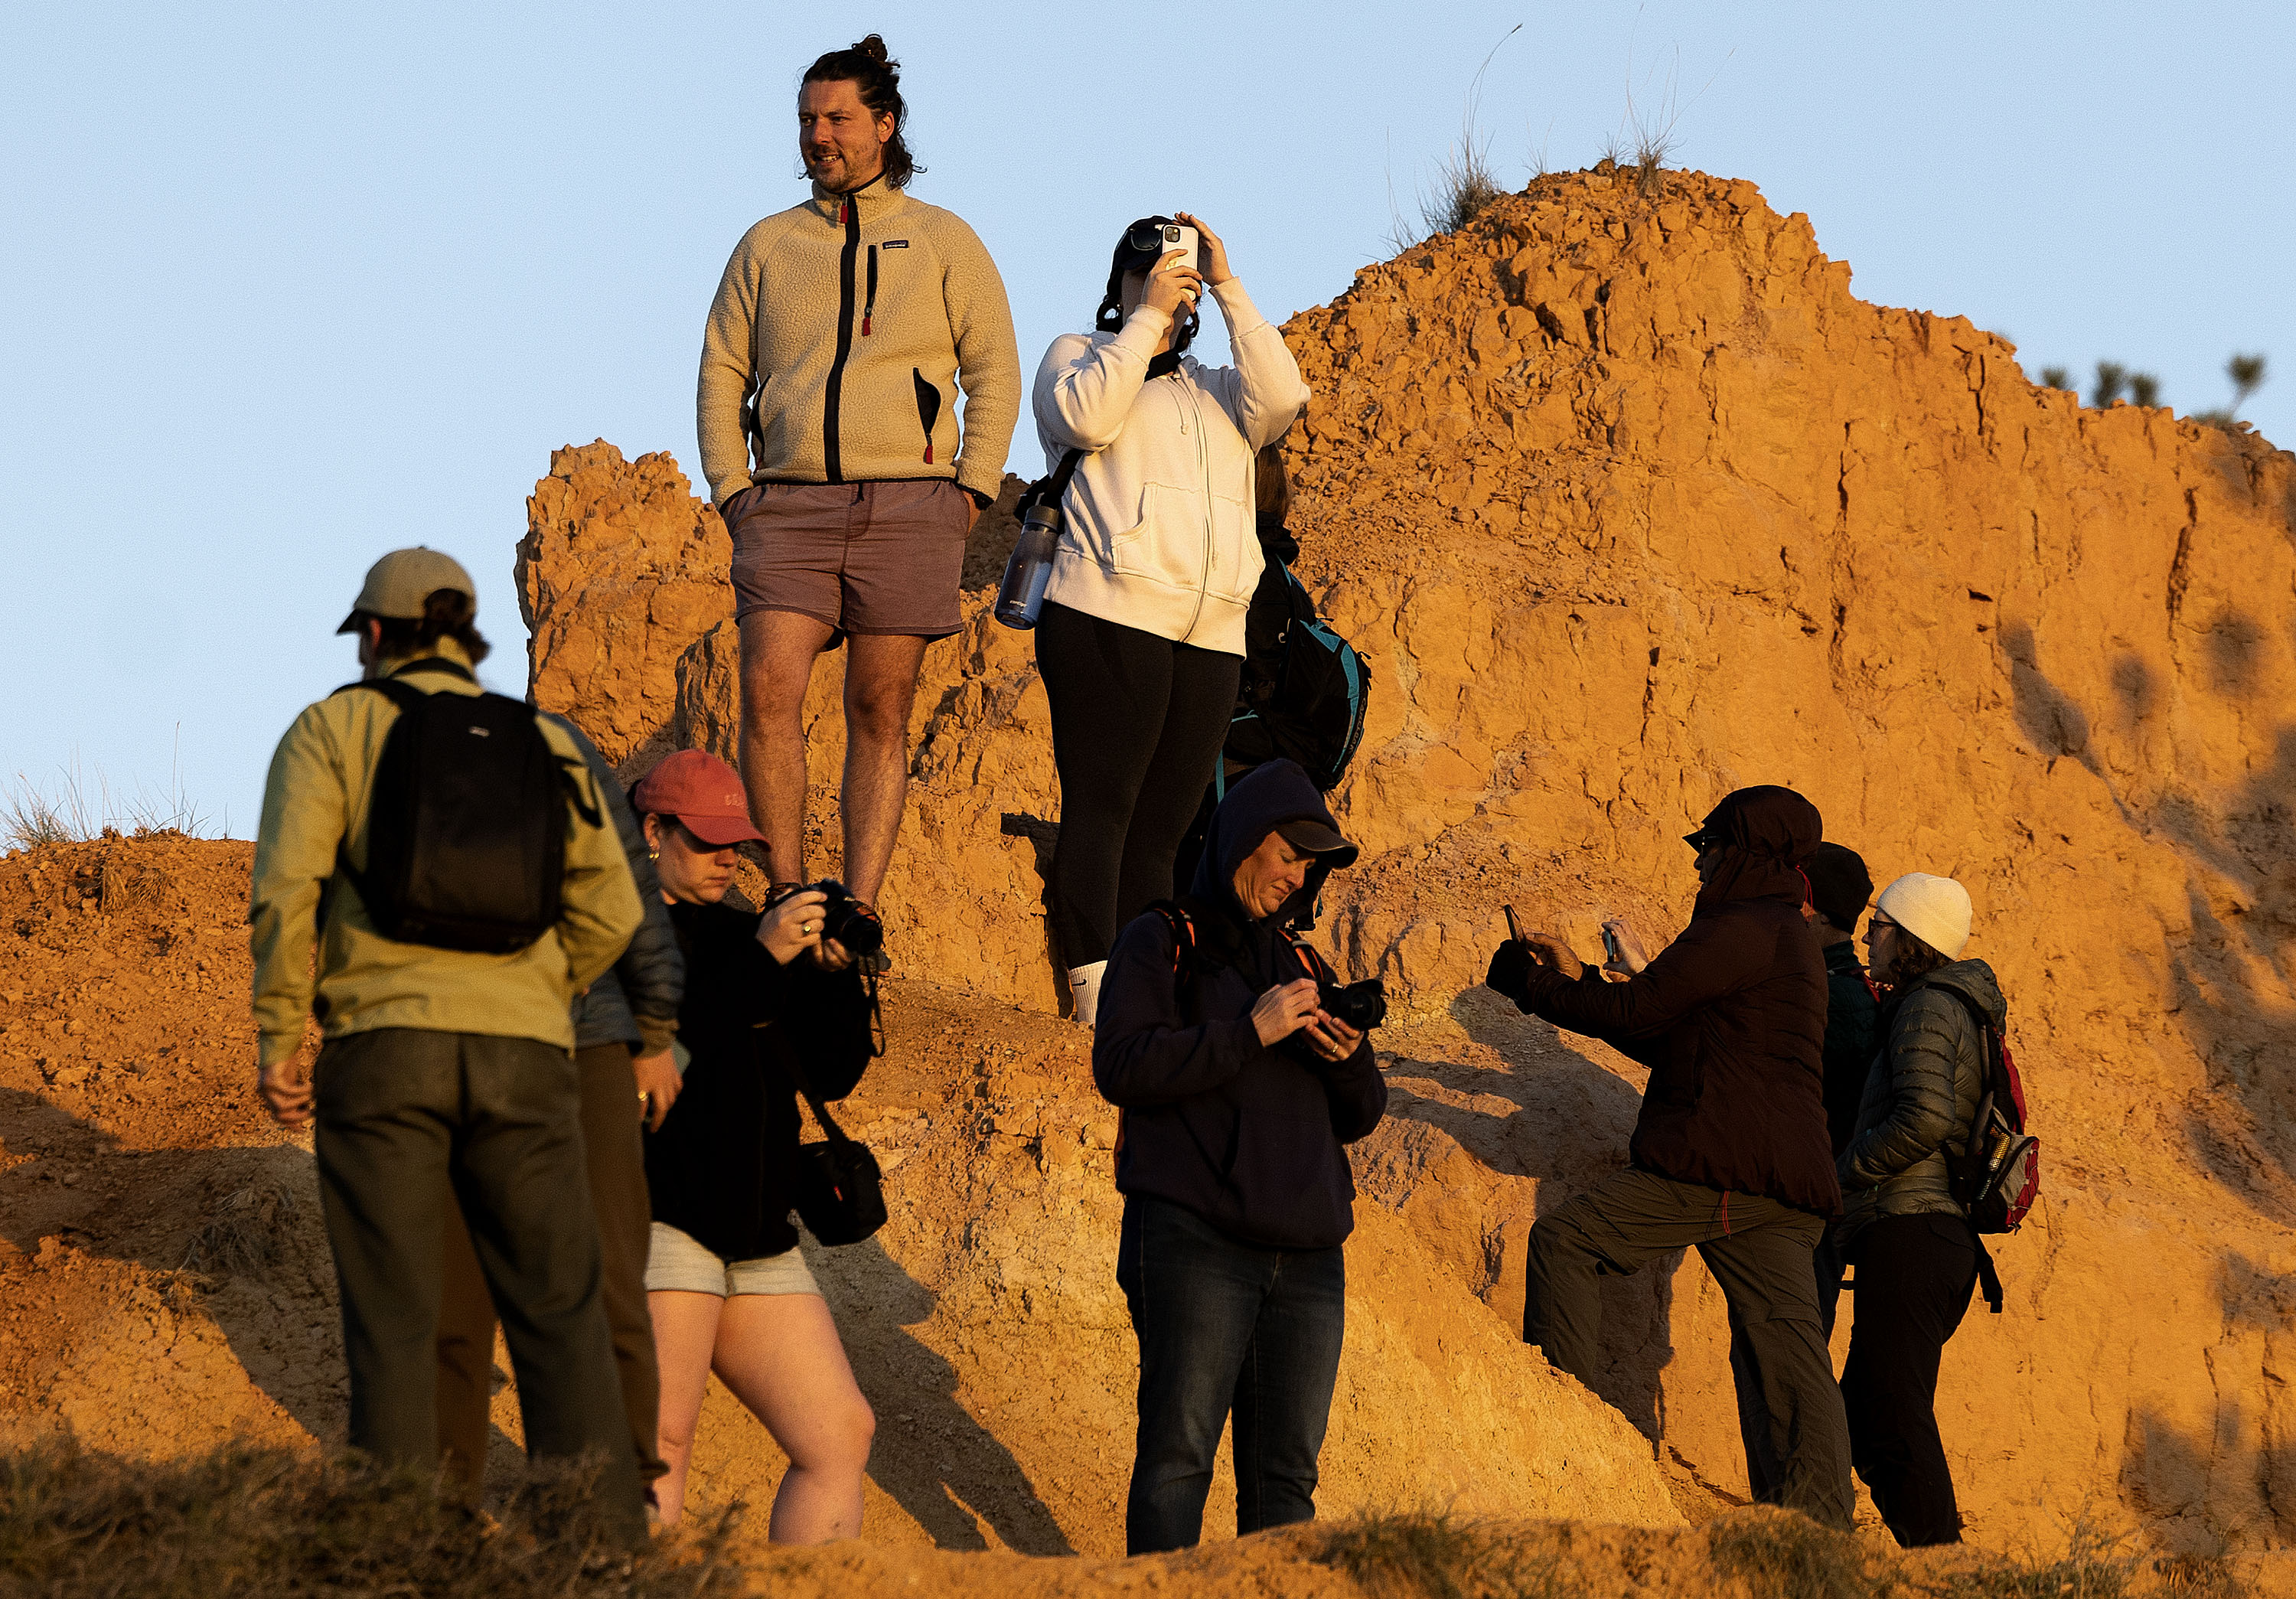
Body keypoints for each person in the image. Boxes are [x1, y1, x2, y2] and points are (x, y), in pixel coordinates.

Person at [249, 548, 645, 1532]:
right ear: (467, 643)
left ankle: (399, 1553)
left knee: (396, 1322)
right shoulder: (543, 742)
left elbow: (284, 892)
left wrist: (279, 1035)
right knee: (561, 1317)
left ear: (374, 638)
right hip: (525, 1060)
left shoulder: (332, 728)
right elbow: (613, 907)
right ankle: (601, 1559)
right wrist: (539, 996)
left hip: (383, 1054)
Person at [696, 34, 1021, 948]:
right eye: (807, 119)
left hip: (911, 506)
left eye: (836, 117)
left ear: (884, 125)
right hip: (787, 508)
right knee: (767, 688)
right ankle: (788, 895)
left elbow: (994, 368)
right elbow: (722, 372)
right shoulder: (766, 246)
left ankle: (861, 907)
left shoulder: (945, 239)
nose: (818, 134)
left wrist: (969, 492)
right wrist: (734, 493)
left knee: (881, 707)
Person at [1485, 785, 1854, 1530]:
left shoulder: (1738, 927)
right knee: (1790, 1351)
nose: (1700, 864)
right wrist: (1579, 980)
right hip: (1785, 1181)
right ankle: (1824, 1534)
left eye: (1708, 847)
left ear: (1741, 849)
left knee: (1567, 1242)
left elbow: (1638, 1012)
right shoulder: (1782, 933)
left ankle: (1571, 1461)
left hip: (1720, 1161)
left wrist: (1533, 984)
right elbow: (1669, 1038)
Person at [1092, 758, 1385, 1555]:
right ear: (1241, 839)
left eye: (1308, 865)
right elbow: (1120, 1065)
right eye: (1287, 853)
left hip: (1310, 1255)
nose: (1295, 877)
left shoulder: (1303, 965)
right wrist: (1247, 1033)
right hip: (1195, 1240)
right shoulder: (1162, 939)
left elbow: (1362, 1115)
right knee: (1178, 1463)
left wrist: (1347, 1054)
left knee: (1286, 1481)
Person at [1033, 214, 1310, 1026]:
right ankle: (1093, 999)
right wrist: (1147, 318)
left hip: (1208, 636)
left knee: (1163, 831)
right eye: (1151, 274)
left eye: (1178, 279)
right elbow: (1086, 419)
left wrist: (1225, 286)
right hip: (1105, 615)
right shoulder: (1078, 358)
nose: (1169, 288)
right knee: (1103, 808)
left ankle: (1145, 994)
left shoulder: (1219, 389)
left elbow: (1285, 396)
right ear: (1120, 282)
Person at [433, 710, 685, 1504]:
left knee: (454, 1293)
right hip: (581, 1042)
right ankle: (606, 1502)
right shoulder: (556, 743)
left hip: (457, 1040)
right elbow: (630, 894)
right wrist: (652, 1028)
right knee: (602, 1275)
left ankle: (437, 1514)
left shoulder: (376, 749)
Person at [629, 749, 879, 1542]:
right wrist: (762, 955)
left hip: (759, 1233)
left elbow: (829, 1075)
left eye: (736, 840)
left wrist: (834, 974)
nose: (728, 857)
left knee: (839, 1433)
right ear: (651, 830)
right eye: (706, 840)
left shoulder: (749, 935)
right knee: (658, 1447)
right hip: (659, 1219)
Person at [1833, 871, 1996, 1548]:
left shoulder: (1930, 1006)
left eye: (1880, 924)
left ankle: (1945, 1568)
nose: (1869, 934)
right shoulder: (1930, 1003)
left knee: (1892, 1413)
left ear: (1909, 937)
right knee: (1861, 1413)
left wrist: (1840, 1173)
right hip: (1922, 1234)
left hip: (1913, 1233)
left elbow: (1925, 1116)